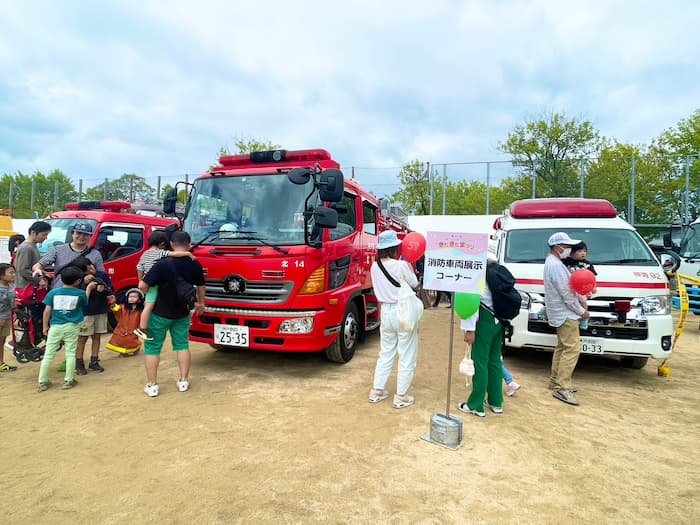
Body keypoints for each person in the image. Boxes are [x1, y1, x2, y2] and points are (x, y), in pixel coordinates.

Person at [138, 231, 205, 397]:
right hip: (182, 312)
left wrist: (148, 294)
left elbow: (142, 285)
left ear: (172, 244)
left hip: (159, 313)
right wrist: (201, 303)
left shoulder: (162, 263)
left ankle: (152, 385)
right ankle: (183, 381)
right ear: (189, 245)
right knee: (182, 345)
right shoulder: (194, 263)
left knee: (153, 347)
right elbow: (201, 286)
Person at [368, 230, 420, 409]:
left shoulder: (375, 267)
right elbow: (414, 284)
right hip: (403, 311)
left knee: (386, 352)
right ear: (394, 247)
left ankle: (377, 391)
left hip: (386, 312)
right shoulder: (401, 265)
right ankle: (401, 396)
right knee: (407, 354)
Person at [544, 232, 589, 406]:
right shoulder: (555, 265)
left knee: (562, 347)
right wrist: (581, 310)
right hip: (565, 313)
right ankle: (562, 387)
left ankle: (556, 380)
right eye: (567, 246)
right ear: (558, 247)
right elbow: (566, 294)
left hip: (560, 312)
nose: (569, 250)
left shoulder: (554, 263)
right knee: (572, 349)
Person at [457, 256, 505, 417]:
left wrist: (469, 329)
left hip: (484, 322)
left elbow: (471, 304)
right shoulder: (497, 275)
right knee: (494, 362)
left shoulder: (476, 278)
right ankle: (496, 401)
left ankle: (475, 405)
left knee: (480, 362)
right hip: (500, 321)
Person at [37, 265, 97, 391]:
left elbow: (47, 311)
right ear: (78, 281)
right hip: (72, 326)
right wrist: (89, 289)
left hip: (55, 326)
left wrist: (44, 326)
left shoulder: (53, 292)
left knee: (48, 354)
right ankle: (68, 380)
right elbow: (85, 301)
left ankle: (42, 381)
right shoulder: (80, 293)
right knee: (70, 353)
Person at [134, 231, 196, 341]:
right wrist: (188, 254)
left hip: (147, 282)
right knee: (149, 306)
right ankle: (142, 328)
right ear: (162, 244)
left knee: (148, 304)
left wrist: (141, 280)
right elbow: (174, 254)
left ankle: (142, 327)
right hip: (154, 284)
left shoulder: (145, 254)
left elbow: (139, 268)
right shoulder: (159, 253)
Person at [72, 256, 113, 375]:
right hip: (86, 312)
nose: (91, 270)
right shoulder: (77, 281)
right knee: (82, 337)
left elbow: (110, 289)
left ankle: (94, 360)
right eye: (87, 270)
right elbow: (78, 296)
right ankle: (78, 362)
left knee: (97, 335)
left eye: (91, 267)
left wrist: (103, 287)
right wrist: (86, 285)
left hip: (100, 310)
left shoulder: (101, 275)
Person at [32, 222, 105, 289]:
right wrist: (38, 271)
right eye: (78, 233)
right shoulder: (58, 250)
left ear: (90, 236)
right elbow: (38, 265)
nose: (82, 236)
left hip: (84, 294)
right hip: (59, 291)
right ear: (72, 233)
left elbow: (101, 274)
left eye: (86, 234)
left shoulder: (95, 254)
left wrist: (92, 276)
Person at [563, 241, 597, 331]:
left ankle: (584, 319)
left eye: (585, 251)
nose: (583, 253)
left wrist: (594, 287)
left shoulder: (587, 264)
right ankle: (546, 311)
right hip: (568, 288)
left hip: (581, 289)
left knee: (583, 302)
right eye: (580, 251)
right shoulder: (566, 261)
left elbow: (592, 276)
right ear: (572, 252)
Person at [105, 288, 144, 356]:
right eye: (130, 296)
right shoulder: (123, 307)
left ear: (139, 299)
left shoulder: (140, 310)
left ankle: (136, 347)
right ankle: (123, 351)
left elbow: (143, 318)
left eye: (134, 297)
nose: (131, 298)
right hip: (122, 327)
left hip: (133, 328)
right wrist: (113, 304)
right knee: (119, 339)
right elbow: (117, 309)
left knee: (131, 340)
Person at [14, 221, 52, 289]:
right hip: (26, 287)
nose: (45, 238)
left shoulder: (32, 246)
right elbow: (23, 270)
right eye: (44, 235)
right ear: (33, 233)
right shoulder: (26, 248)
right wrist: (39, 279)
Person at [0, 263, 17, 372]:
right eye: (10, 272)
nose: (13, 275)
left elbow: (13, 300)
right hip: (1, 317)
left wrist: (14, 311)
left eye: (13, 272)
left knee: (1, 341)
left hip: (6, 317)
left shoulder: (11, 285)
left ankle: (1, 363)